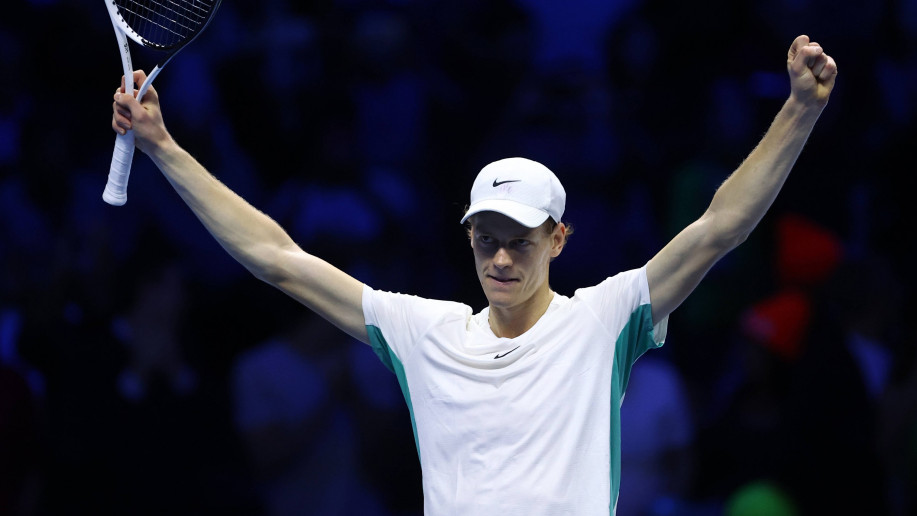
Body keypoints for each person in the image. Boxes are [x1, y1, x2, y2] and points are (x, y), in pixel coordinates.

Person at [109, 34, 837, 515]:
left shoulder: (604, 321)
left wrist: (799, 113)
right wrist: (163, 146)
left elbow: (720, 228)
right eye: (485, 238)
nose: (499, 258)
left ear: (559, 239)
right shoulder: (425, 331)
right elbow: (276, 258)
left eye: (519, 242)